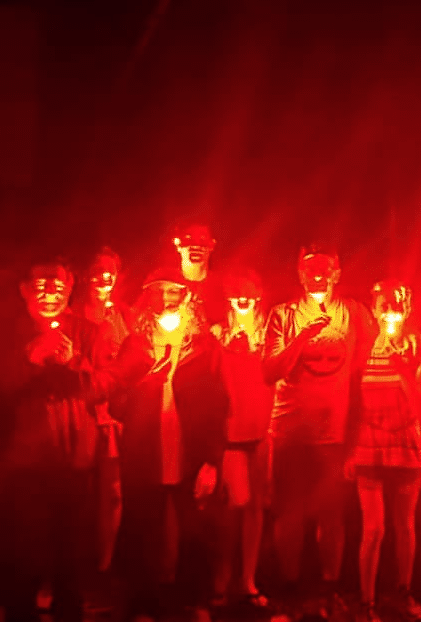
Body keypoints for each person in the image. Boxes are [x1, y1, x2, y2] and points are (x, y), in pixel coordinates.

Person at [96, 268, 228, 622]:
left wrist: (212, 461)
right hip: (145, 451)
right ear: (147, 299)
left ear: (187, 299)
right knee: (142, 526)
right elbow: (118, 403)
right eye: (160, 292)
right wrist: (139, 382)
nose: (168, 299)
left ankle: (193, 599)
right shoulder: (135, 344)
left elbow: (219, 404)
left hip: (191, 452)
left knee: (194, 529)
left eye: (176, 292)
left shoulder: (204, 346)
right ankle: (141, 601)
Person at [263, 246, 373, 606]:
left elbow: (368, 364)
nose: (318, 274)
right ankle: (290, 586)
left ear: (337, 272)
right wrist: (301, 337)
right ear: (299, 272)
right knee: (289, 512)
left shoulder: (354, 314)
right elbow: (270, 371)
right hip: (290, 430)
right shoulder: (282, 315)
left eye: (325, 267)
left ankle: (330, 586)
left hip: (334, 431)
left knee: (332, 514)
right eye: (310, 268)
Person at [0, 260, 100, 622]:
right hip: (24, 465)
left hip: (74, 460)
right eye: (41, 286)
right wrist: (30, 358)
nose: (49, 293)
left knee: (70, 555)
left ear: (70, 290)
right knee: (23, 553)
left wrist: (74, 362)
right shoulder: (8, 332)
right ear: (25, 289)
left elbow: (103, 389)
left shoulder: (88, 332)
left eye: (57, 287)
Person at [346, 280, 421, 620]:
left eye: (397, 305)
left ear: (407, 308)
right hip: (368, 442)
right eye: (384, 305)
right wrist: (350, 449)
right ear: (374, 308)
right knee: (374, 528)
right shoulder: (362, 346)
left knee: (405, 524)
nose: (390, 312)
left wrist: (405, 373)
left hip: (406, 440)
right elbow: (351, 400)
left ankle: (403, 593)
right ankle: (366, 603)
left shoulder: (417, 345)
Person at [210, 265, 275, 613]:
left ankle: (248, 580)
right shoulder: (217, 333)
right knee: (231, 511)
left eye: (249, 292)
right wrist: (228, 353)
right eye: (236, 293)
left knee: (255, 510)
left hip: (262, 431)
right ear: (227, 297)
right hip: (232, 434)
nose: (243, 299)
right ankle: (221, 581)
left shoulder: (269, 334)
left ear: (259, 294)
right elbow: (213, 384)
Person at [78, 247, 130, 576]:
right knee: (80, 489)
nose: (104, 277)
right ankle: (77, 561)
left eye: (110, 271)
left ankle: (105, 564)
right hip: (82, 413)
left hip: (115, 416)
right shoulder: (73, 315)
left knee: (112, 493)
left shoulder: (123, 315)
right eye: (97, 270)